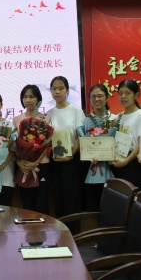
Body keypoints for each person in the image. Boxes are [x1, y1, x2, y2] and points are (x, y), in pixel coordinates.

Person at [46, 76, 86, 223]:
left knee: (72, 198)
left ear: (67, 91)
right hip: (55, 160)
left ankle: (75, 233)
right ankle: (62, 231)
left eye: (61, 88)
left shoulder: (76, 110)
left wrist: (71, 155)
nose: (57, 92)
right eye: (54, 89)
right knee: (58, 198)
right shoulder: (49, 113)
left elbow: (81, 136)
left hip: (72, 160)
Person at [13, 84, 50, 214]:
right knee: (27, 205)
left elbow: (47, 144)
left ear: (38, 99)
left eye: (31, 97)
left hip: (42, 166)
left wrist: (35, 162)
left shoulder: (45, 119)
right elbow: (14, 146)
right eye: (25, 97)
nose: (28, 100)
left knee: (41, 205)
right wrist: (19, 163)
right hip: (23, 167)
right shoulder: (16, 120)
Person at [82, 84, 117, 212]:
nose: (96, 99)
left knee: (110, 207)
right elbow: (85, 142)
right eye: (93, 96)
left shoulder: (114, 119)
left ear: (107, 98)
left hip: (111, 167)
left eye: (100, 96)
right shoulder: (87, 120)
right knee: (92, 207)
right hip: (91, 168)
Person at [111, 79, 141, 189]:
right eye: (120, 93)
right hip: (119, 160)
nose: (123, 96)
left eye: (128, 93)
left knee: (133, 195)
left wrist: (126, 161)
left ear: (136, 95)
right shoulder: (119, 116)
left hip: (133, 163)